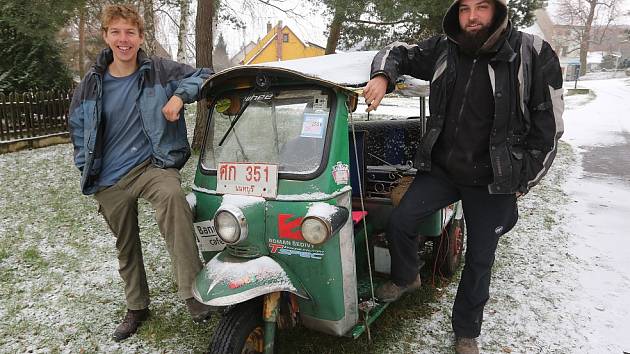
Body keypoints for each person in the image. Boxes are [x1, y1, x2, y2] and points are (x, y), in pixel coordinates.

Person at [362, 0, 564, 353]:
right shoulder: (444, 48)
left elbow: (549, 129)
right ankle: (407, 276)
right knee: (400, 221)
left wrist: (521, 182)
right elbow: (397, 52)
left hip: (493, 179)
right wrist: (383, 76)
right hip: (444, 170)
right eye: (464, 8)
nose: (472, 17)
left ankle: (467, 330)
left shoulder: (533, 52)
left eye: (482, 7)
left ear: (499, 10)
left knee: (479, 258)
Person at [68, 4, 213, 342]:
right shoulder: (90, 85)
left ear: (141, 37)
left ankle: (192, 291)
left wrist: (179, 96)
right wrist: (85, 165)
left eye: (130, 32)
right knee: (126, 244)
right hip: (109, 178)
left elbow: (204, 74)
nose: (123, 39)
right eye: (115, 32)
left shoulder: (160, 70)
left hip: (151, 167)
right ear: (106, 37)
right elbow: (77, 128)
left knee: (174, 198)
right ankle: (137, 306)